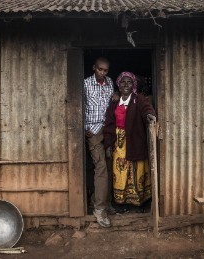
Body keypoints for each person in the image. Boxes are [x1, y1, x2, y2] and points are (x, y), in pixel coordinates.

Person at [103, 71, 156, 213]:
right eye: (123, 82)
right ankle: (122, 202)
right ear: (118, 85)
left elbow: (146, 108)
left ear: (133, 85)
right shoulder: (114, 102)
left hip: (135, 140)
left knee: (137, 171)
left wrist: (150, 115)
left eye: (129, 82)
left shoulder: (138, 99)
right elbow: (109, 123)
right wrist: (108, 144)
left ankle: (140, 203)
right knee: (120, 171)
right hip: (119, 143)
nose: (126, 85)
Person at [84, 57, 118, 228]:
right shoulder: (85, 84)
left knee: (110, 166)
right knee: (101, 168)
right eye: (100, 69)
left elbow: (111, 103)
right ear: (94, 68)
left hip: (108, 130)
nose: (102, 73)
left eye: (105, 70)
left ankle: (106, 202)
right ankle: (99, 209)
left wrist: (115, 97)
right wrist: (85, 127)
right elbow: (79, 106)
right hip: (94, 131)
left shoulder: (110, 82)